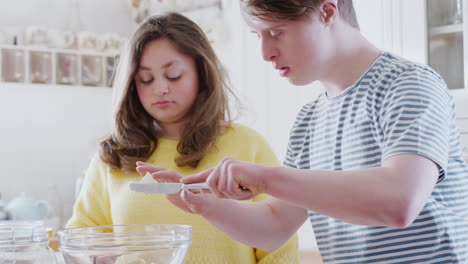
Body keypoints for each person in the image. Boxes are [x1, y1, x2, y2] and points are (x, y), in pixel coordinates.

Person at [138, 1, 468, 263]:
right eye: (258, 36)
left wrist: (265, 178)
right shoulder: (309, 120)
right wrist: (203, 204)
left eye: (276, 32)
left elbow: (399, 201)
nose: (265, 53)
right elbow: (274, 225)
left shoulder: (408, 84)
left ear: (326, 11)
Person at [67, 12, 299, 264]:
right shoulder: (113, 156)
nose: (160, 88)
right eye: (146, 79)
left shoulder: (249, 145)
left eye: (174, 74)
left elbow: (280, 251)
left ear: (201, 72)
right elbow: (80, 243)